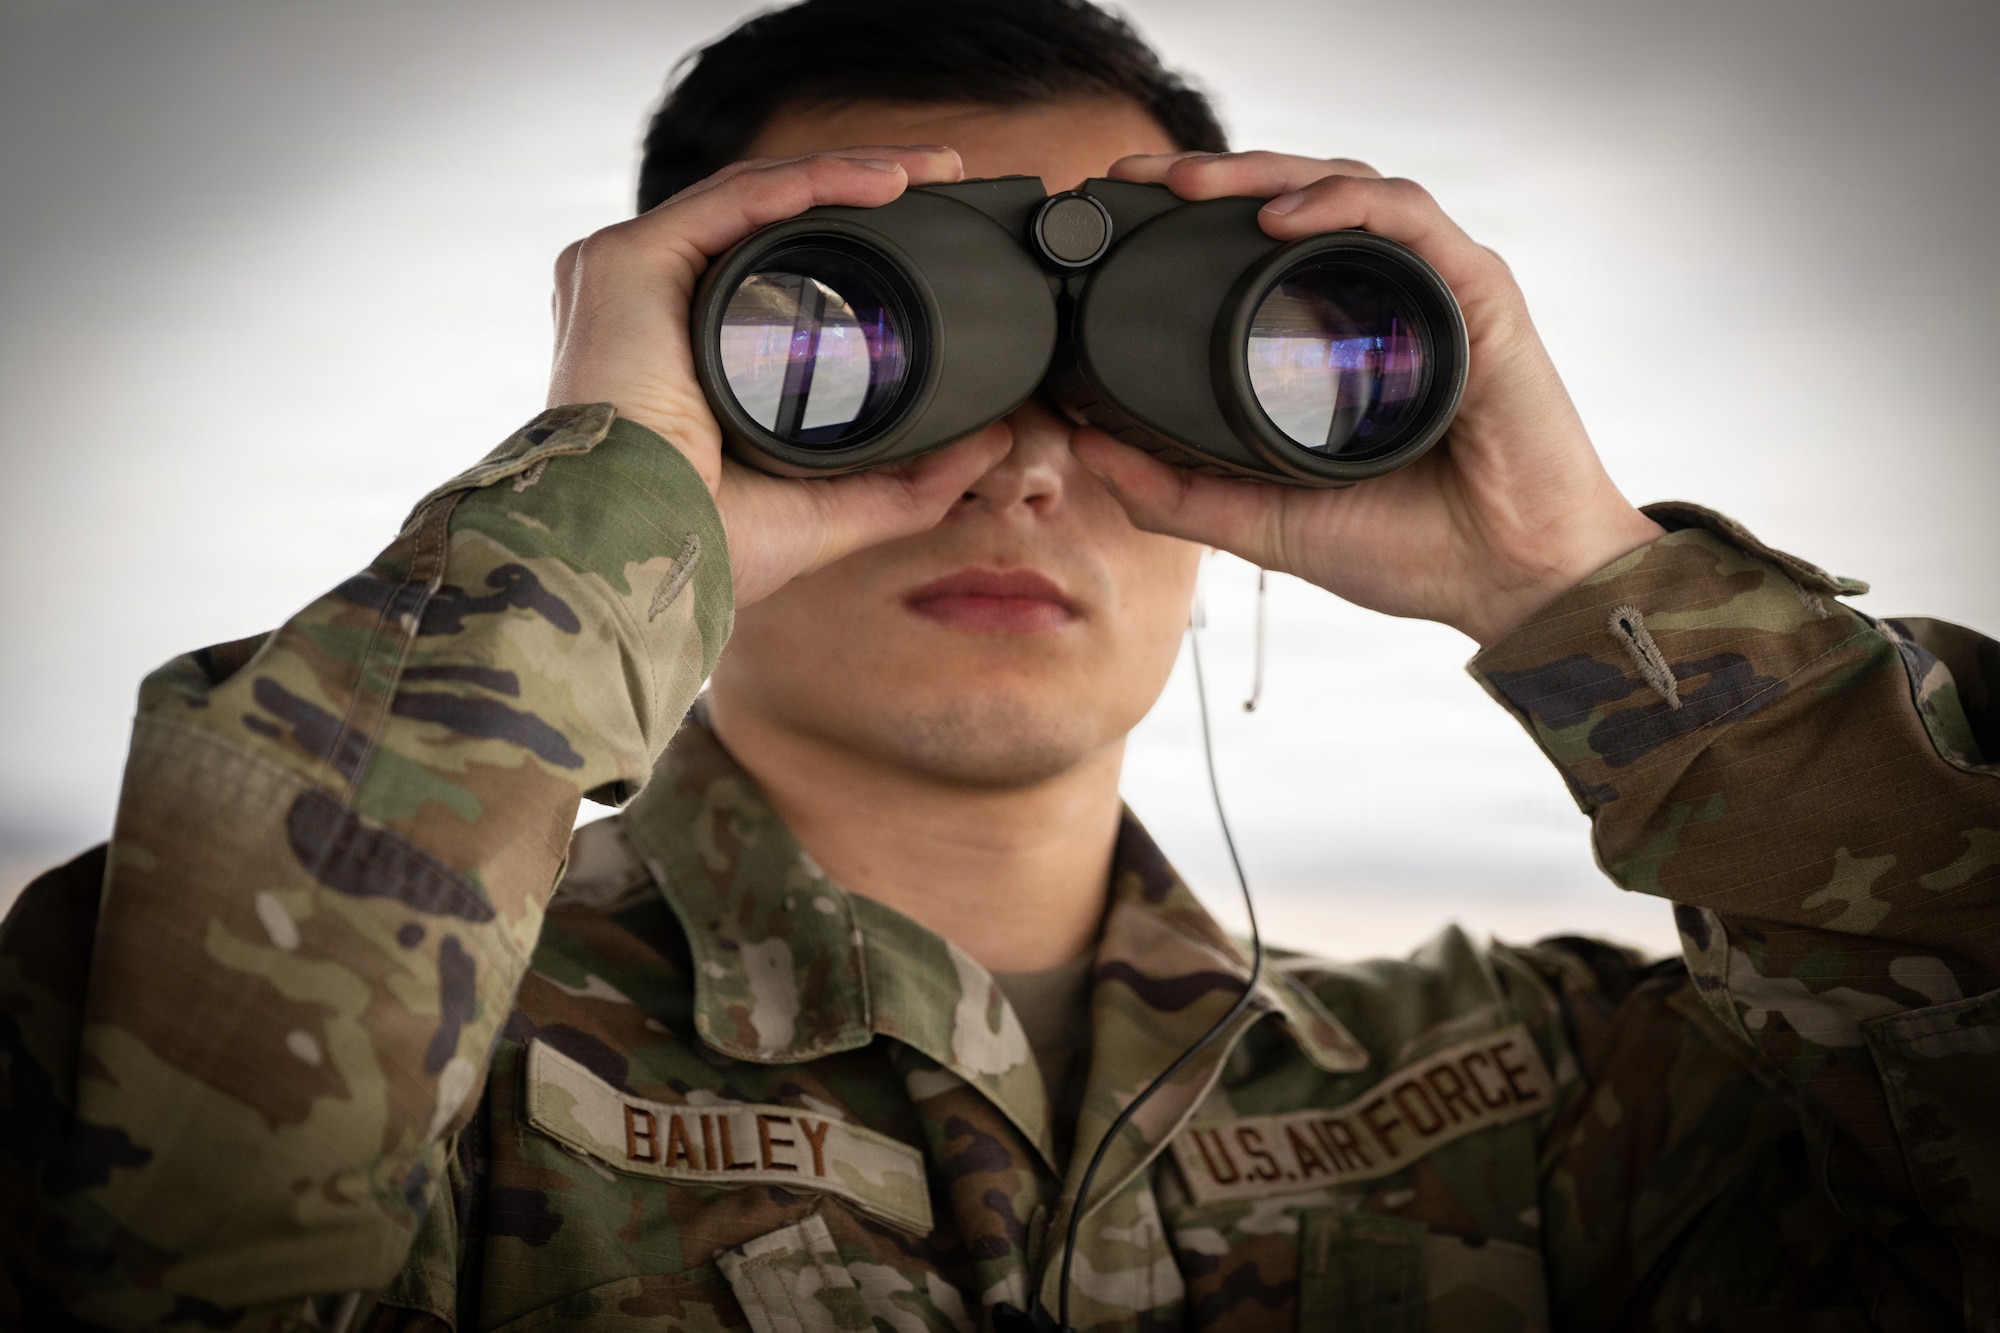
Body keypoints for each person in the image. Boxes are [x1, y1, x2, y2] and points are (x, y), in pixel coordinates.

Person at [3, 0, 1994, 1328]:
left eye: (1117, 367)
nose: (1020, 464)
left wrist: (1573, 574)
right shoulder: (427, 1067)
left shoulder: (1541, 1095)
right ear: (673, 406)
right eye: (862, 349)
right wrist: (590, 521)